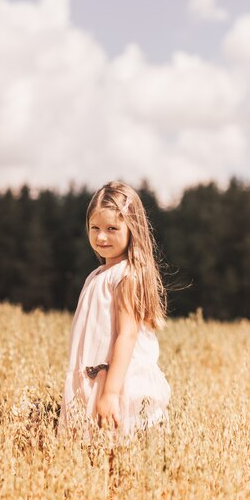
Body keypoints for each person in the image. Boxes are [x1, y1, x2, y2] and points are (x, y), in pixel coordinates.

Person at [57, 181, 171, 444]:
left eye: (112, 229)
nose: (101, 237)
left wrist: (110, 393)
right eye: (94, 228)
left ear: (132, 229)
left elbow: (127, 335)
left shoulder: (126, 276)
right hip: (95, 378)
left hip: (117, 381)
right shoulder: (96, 276)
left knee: (116, 450)